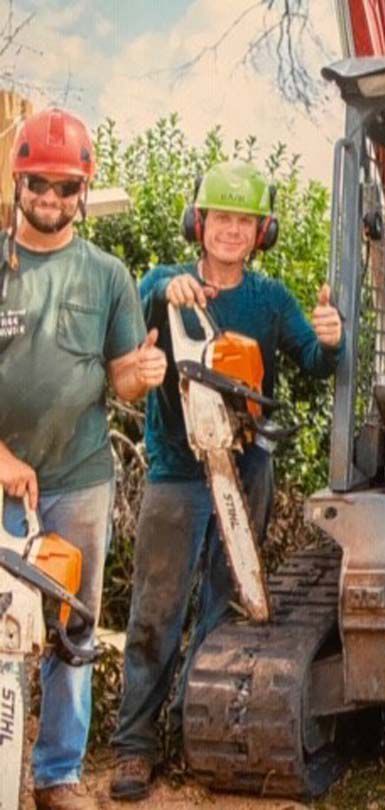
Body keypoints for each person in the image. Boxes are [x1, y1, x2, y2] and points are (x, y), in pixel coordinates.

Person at [108, 160, 342, 801]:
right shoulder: (165, 282)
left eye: (245, 220)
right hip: (178, 472)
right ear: (198, 222)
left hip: (247, 468)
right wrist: (173, 288)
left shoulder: (269, 299)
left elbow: (315, 362)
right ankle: (133, 746)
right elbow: (147, 292)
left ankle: (192, 728)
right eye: (221, 219)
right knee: (157, 610)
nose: (232, 231)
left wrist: (331, 339)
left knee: (224, 605)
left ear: (262, 231)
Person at [0, 107, 166, 810]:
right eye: (39, 182)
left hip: (80, 479)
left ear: (82, 191)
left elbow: (121, 376)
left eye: (66, 186)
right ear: (18, 182)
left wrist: (143, 373)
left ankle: (57, 774)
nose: (51, 197)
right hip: (5, 481)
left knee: (73, 629)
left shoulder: (107, 275)